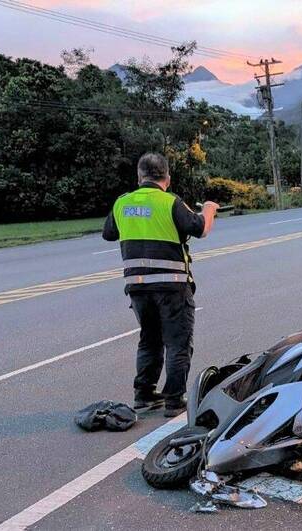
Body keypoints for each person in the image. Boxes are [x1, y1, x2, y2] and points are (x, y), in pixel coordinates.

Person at [102, 153, 218, 417]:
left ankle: (144, 394)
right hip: (172, 285)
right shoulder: (171, 202)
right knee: (178, 342)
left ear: (139, 177)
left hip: (138, 287)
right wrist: (209, 209)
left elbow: (109, 234)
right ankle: (174, 400)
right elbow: (200, 228)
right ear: (166, 177)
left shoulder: (123, 203)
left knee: (149, 339)